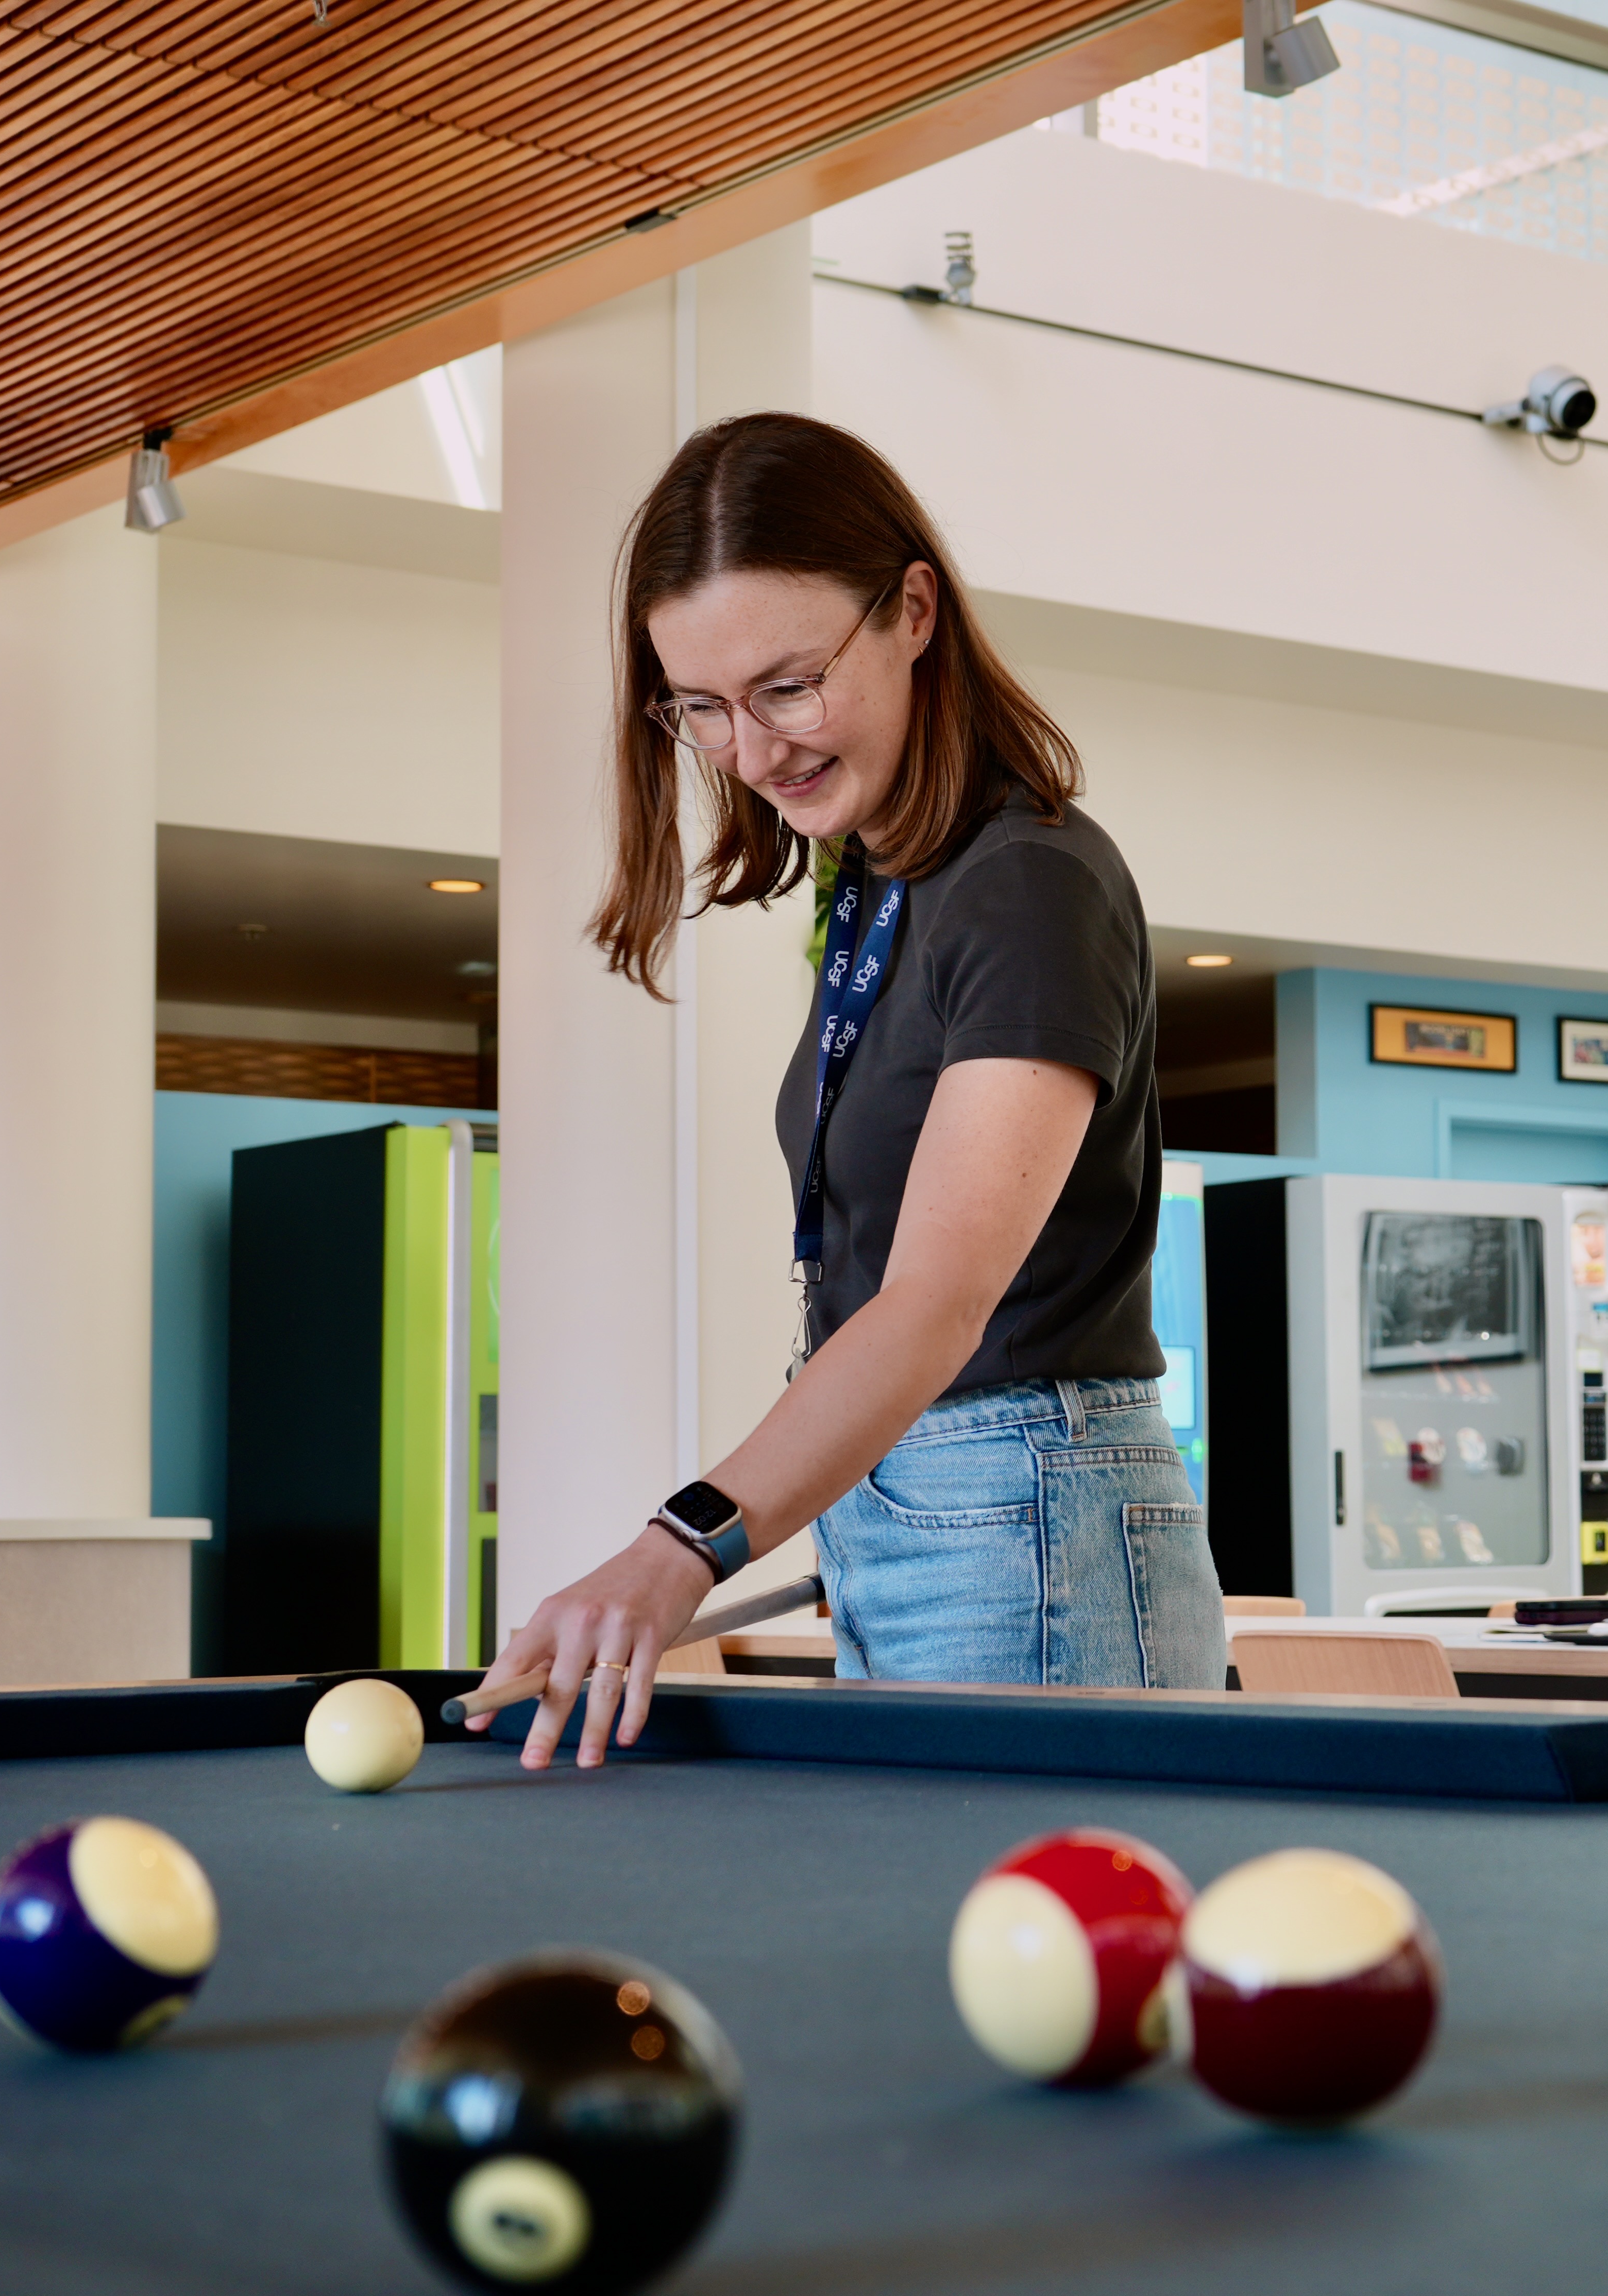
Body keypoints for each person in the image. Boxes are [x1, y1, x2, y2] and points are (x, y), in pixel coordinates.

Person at [481, 413, 1224, 1767]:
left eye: (787, 686)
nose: (752, 751)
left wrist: (680, 1546)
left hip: (1026, 1503)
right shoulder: (885, 881)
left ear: (914, 612)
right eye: (702, 707)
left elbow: (936, 1304)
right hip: (919, 1502)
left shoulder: (1029, 883)